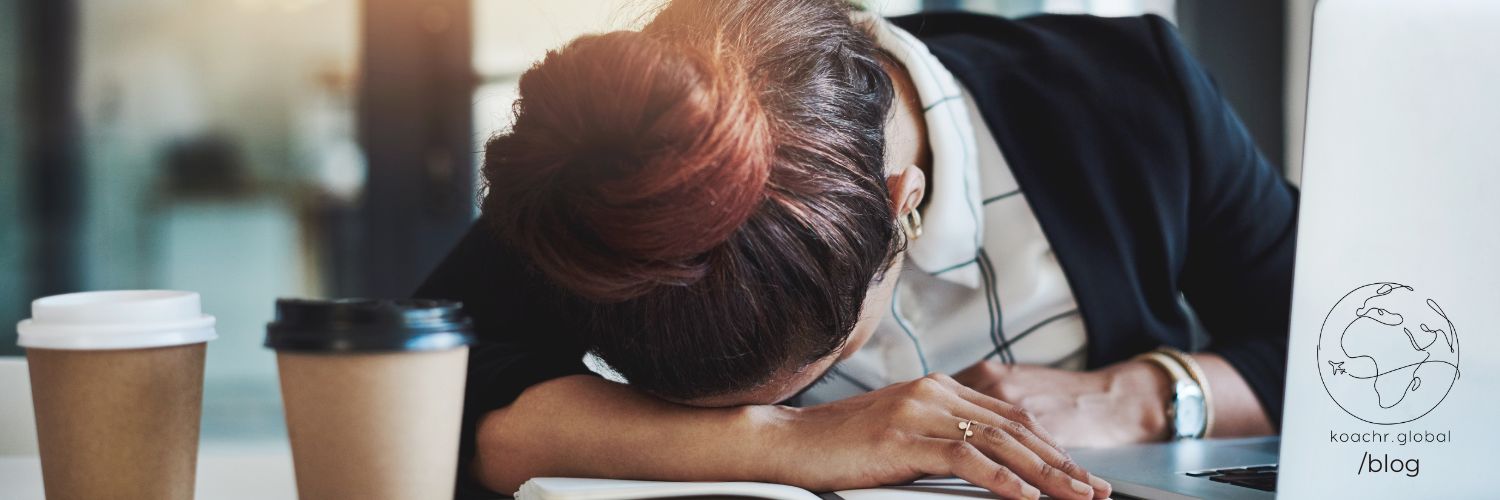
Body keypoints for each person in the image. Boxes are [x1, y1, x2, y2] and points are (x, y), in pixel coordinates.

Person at [415, 1, 1297, 499]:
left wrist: (1145, 397)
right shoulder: (621, 178)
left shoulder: (1130, 97)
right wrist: (782, 440)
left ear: (901, 208)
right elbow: (420, 391)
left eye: (814, 368)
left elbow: (1358, 342)